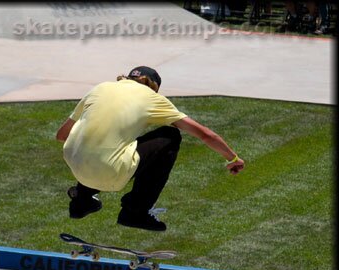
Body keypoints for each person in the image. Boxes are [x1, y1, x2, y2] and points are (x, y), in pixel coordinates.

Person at [55, 66, 245, 231]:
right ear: (153, 86)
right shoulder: (153, 98)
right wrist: (233, 158)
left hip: (74, 163)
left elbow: (62, 135)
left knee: (104, 142)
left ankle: (81, 201)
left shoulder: (101, 88)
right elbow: (205, 134)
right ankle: (135, 212)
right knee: (170, 136)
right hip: (110, 172)